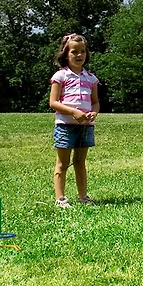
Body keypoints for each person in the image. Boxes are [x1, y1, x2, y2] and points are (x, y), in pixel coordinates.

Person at [49, 33, 100, 208]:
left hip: (85, 127)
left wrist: (93, 113)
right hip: (65, 126)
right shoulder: (61, 76)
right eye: (74, 52)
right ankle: (60, 199)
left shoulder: (91, 78)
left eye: (83, 51)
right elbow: (53, 102)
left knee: (80, 162)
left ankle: (83, 196)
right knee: (63, 163)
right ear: (66, 54)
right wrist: (73, 112)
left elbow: (95, 102)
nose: (79, 55)